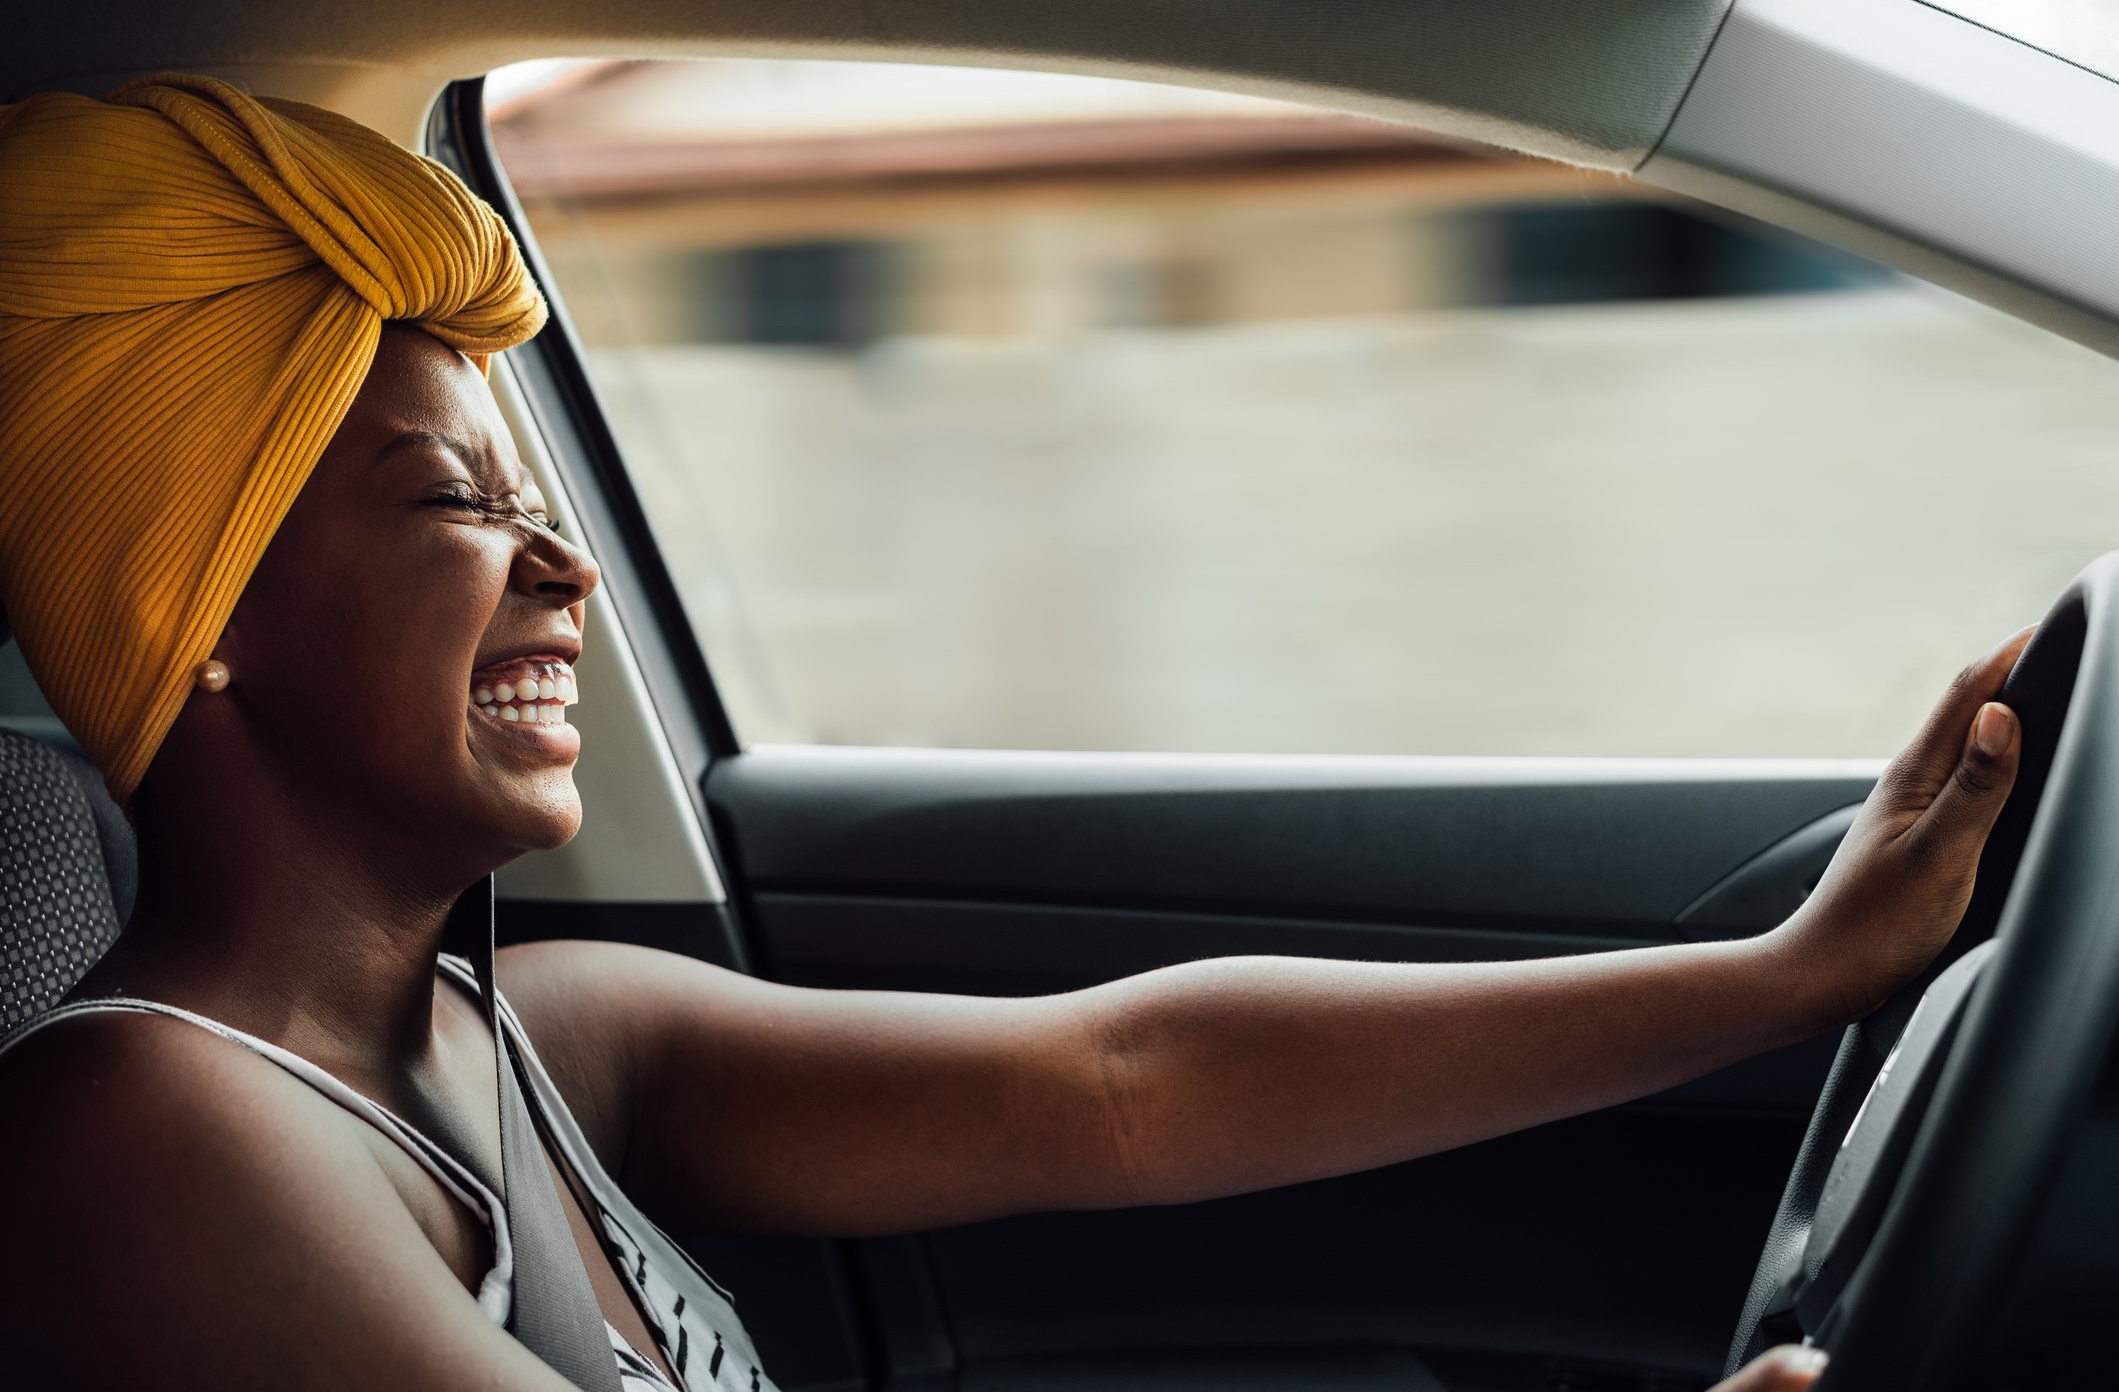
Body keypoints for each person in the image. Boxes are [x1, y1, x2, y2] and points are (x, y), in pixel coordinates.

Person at [0, 76, 2025, 1392]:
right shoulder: (146, 1143)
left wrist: (1782, 982)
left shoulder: (538, 1038)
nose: (565, 573)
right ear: (211, 608)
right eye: (461, 506)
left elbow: (1127, 1080)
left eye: (546, 508)